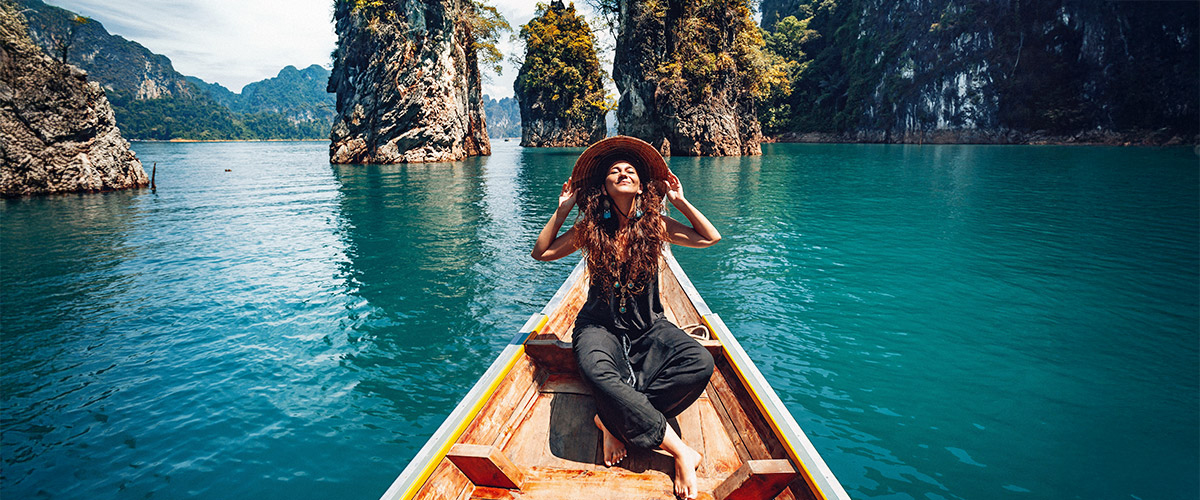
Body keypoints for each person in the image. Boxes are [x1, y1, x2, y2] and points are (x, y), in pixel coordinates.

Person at [530, 136, 721, 499]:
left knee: (698, 363)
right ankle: (680, 450)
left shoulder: (656, 225)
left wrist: (680, 202)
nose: (622, 172)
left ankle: (610, 419)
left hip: (649, 326)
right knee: (597, 370)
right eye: (614, 171)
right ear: (603, 186)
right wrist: (563, 209)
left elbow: (709, 237)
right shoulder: (591, 228)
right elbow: (542, 253)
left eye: (630, 170)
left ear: (640, 185)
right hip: (598, 327)